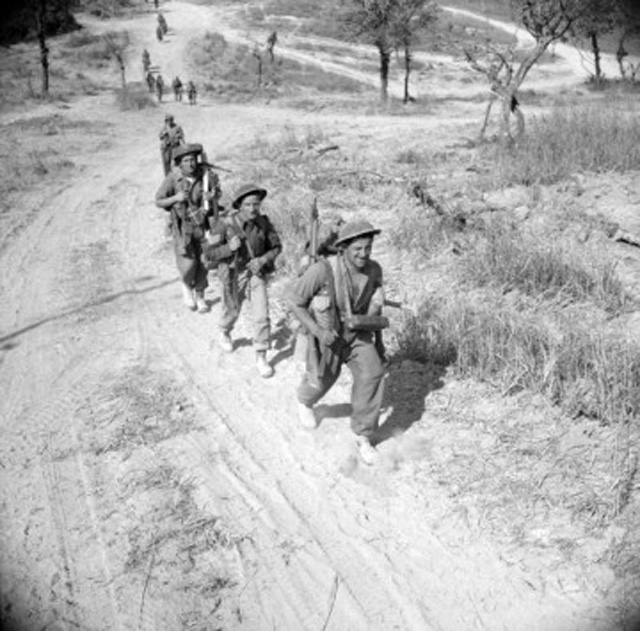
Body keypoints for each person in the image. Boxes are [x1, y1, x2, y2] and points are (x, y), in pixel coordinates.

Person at [287, 220, 388, 465]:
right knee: (321, 381)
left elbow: (374, 304)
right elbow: (294, 300)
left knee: (373, 374)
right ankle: (304, 401)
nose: (364, 254)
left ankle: (363, 435)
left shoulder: (374, 270)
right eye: (357, 249)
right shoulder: (323, 270)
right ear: (342, 248)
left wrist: (377, 303)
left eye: (368, 248)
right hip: (328, 337)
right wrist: (318, 333)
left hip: (357, 336)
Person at [202, 184, 282, 378]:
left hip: (255, 274)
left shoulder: (263, 223)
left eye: (256, 204)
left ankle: (261, 355)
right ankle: (224, 330)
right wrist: (229, 248)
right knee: (233, 310)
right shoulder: (224, 224)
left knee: (261, 315)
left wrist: (263, 260)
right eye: (248, 205)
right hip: (232, 274)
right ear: (239, 205)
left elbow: (277, 246)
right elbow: (208, 251)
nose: (253, 208)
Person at [155, 143, 221, 313]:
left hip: (203, 225)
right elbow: (159, 200)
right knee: (188, 264)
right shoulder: (173, 178)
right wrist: (176, 198)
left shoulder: (206, 175)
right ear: (179, 163)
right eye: (186, 160)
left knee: (204, 263)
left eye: (193, 159)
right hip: (183, 228)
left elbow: (218, 193)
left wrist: (212, 196)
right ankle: (186, 286)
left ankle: (200, 296)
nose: (191, 164)